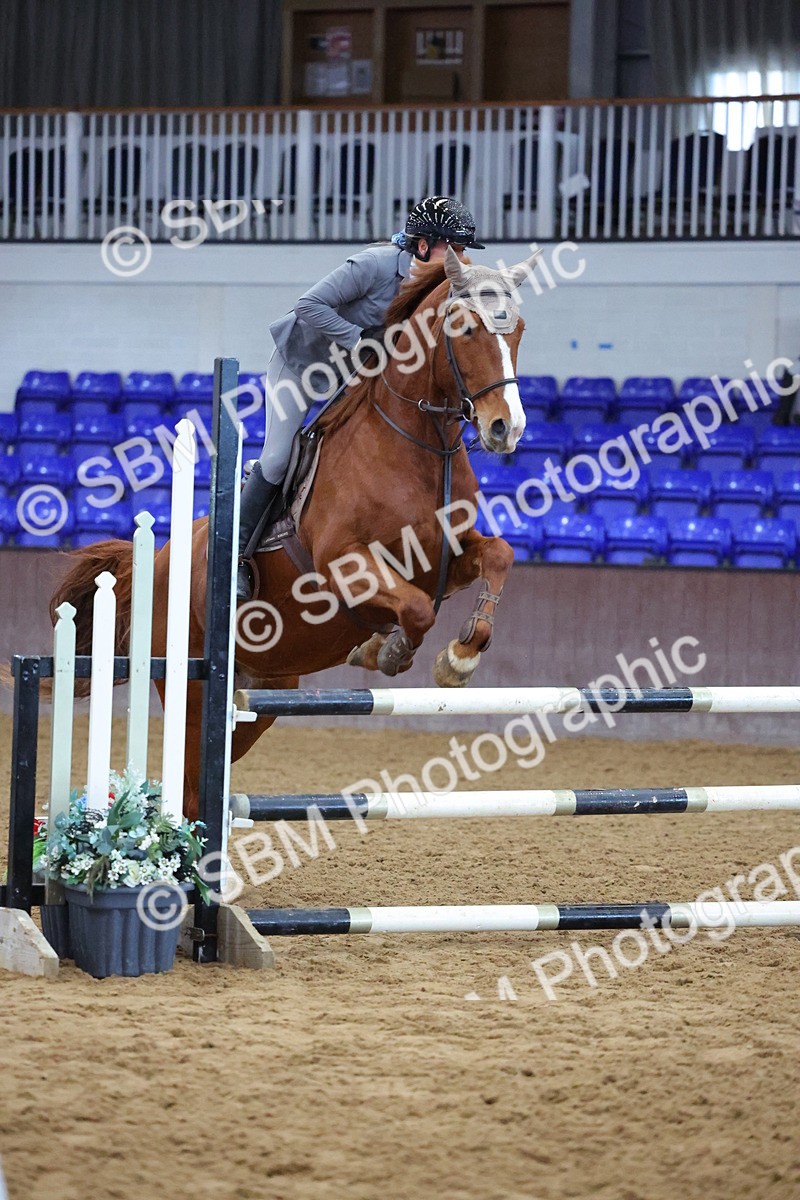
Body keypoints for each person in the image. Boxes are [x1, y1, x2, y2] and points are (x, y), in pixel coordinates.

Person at [236, 195, 486, 601]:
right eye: (452, 247)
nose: (459, 258)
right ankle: (237, 557)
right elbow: (308, 304)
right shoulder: (373, 265)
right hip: (303, 365)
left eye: (462, 250)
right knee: (279, 457)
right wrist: (359, 339)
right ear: (422, 245)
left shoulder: (438, 288)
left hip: (354, 374)